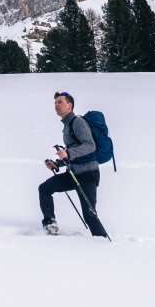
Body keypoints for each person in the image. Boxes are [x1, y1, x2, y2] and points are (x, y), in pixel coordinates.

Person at [38, 91, 108, 237]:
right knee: (44, 188)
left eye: (60, 102)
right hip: (74, 173)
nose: (56, 105)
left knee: (89, 215)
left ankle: (102, 242)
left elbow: (90, 146)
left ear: (69, 106)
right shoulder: (67, 125)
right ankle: (50, 224)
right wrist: (57, 164)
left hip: (88, 174)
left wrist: (68, 153)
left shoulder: (78, 122)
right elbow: (73, 152)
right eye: (55, 102)